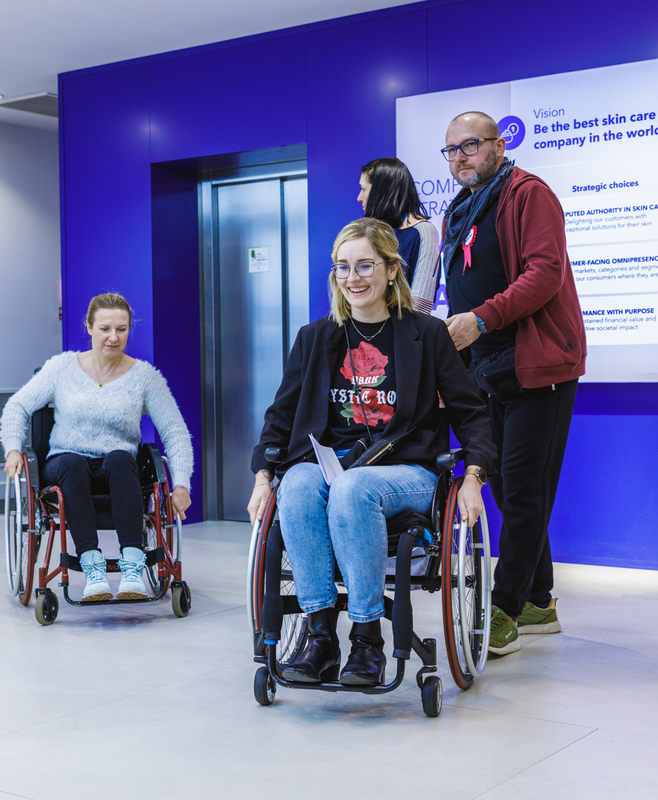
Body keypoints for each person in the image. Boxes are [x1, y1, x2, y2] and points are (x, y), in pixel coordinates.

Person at [246, 218, 496, 686]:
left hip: (408, 470)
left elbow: (471, 412)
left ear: (392, 270)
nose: (352, 278)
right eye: (342, 267)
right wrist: (263, 475)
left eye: (365, 265)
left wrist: (475, 475)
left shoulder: (427, 335)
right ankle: (321, 636)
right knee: (297, 484)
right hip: (329, 464)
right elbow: (280, 415)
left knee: (352, 488)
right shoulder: (316, 337)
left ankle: (366, 639)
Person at [439, 111, 587, 655]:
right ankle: (539, 600)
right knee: (506, 487)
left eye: (471, 145)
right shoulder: (464, 208)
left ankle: (503, 610)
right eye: (452, 150)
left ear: (499, 146)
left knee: (524, 491)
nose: (460, 157)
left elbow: (544, 274)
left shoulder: (528, 194)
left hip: (538, 366)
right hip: (487, 367)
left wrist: (481, 318)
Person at [0, 293, 193, 602]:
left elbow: (175, 430)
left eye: (121, 329)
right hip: (65, 464)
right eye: (104, 328)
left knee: (120, 458)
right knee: (73, 464)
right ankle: (92, 567)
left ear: (129, 329)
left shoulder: (144, 377)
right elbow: (17, 406)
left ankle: (132, 564)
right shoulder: (61, 368)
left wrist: (181, 483)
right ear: (89, 327)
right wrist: (12, 448)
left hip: (117, 468)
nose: (113, 337)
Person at [358, 158, 441, 316]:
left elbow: (420, 305)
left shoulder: (424, 231)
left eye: (363, 189)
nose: (359, 197)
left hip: (404, 335)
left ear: (381, 192)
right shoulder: (375, 233)